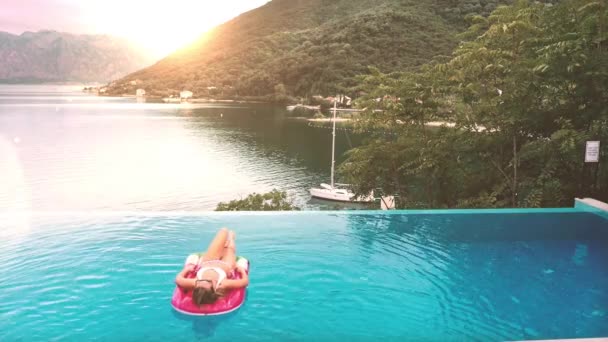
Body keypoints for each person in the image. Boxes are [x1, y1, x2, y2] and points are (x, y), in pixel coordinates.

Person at [175, 228, 249, 305]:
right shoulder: (222, 284)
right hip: (226, 264)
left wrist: (186, 270)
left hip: (208, 260)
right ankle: (231, 238)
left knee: (223, 231)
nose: (206, 279)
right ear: (214, 289)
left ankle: (225, 241)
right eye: (208, 281)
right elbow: (244, 282)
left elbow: (178, 279)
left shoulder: (195, 283)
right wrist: (242, 270)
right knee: (230, 247)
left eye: (201, 281)